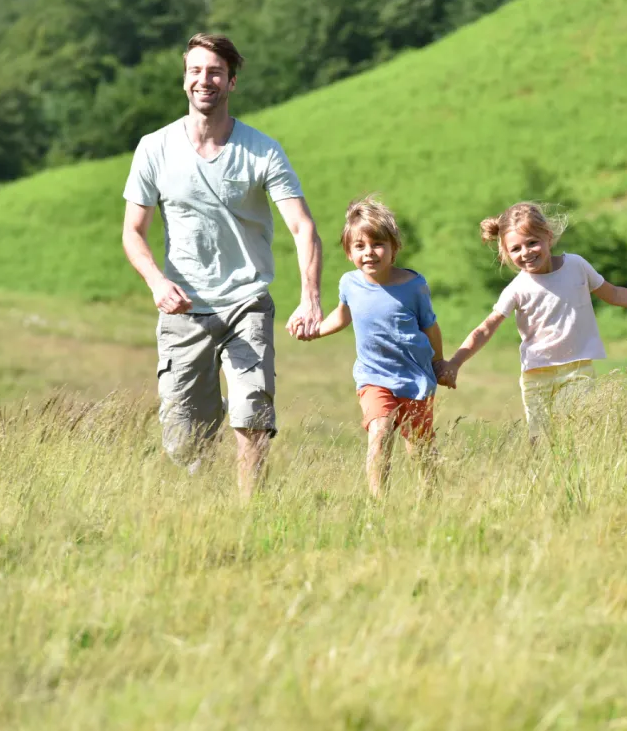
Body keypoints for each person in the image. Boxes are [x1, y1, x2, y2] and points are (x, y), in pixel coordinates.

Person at [122, 32, 323, 501]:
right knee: (182, 436)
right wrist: (156, 281)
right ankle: (203, 504)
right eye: (195, 71)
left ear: (232, 81)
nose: (203, 80)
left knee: (252, 412)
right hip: (183, 307)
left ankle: (248, 512)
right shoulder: (155, 148)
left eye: (214, 72)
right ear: (185, 79)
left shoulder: (262, 150)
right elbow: (133, 231)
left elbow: (303, 228)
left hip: (246, 302)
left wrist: (310, 297)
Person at [440, 202, 627, 440]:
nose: (526, 252)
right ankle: (542, 477)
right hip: (536, 376)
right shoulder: (517, 289)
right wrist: (454, 363)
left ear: (548, 236)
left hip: (577, 370)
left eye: (532, 242)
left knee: (577, 435)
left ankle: (580, 476)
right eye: (516, 249)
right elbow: (485, 329)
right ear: (505, 253)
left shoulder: (576, 266)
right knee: (541, 442)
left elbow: (615, 294)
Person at [300, 198, 449, 498]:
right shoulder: (349, 284)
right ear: (348, 251)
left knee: (418, 447)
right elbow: (343, 315)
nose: (369, 252)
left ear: (394, 248)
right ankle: (379, 503)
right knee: (379, 432)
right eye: (359, 245)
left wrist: (440, 364)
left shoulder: (413, 285)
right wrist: (316, 331)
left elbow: (430, 327)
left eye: (378, 244)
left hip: (415, 378)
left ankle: (430, 498)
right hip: (373, 377)